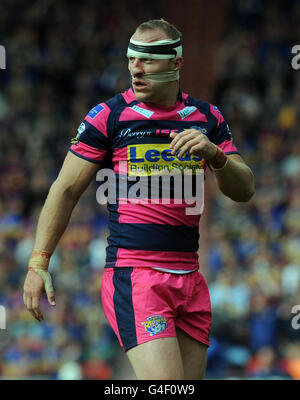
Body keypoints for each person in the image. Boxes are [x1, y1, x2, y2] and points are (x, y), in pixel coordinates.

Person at [23, 19, 255, 380]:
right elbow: (65, 190)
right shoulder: (109, 117)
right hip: (137, 278)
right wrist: (38, 262)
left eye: (147, 59)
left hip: (190, 279)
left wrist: (216, 155)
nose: (135, 67)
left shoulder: (207, 118)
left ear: (176, 63)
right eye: (132, 58)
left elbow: (244, 190)